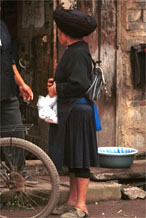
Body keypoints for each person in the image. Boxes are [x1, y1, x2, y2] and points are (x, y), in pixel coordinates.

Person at [48, 8, 102, 218]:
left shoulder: (78, 52)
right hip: (71, 111)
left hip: (78, 112)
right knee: (72, 157)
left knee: (79, 159)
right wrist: (56, 84)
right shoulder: (75, 51)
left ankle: (81, 206)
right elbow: (73, 80)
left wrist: (58, 89)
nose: (58, 35)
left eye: (59, 32)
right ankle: (71, 201)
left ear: (64, 34)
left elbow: (80, 84)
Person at [0, 4, 37, 184]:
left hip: (6, 92)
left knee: (15, 132)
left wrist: (22, 84)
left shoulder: (2, 26)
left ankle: (18, 174)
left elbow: (9, 60)